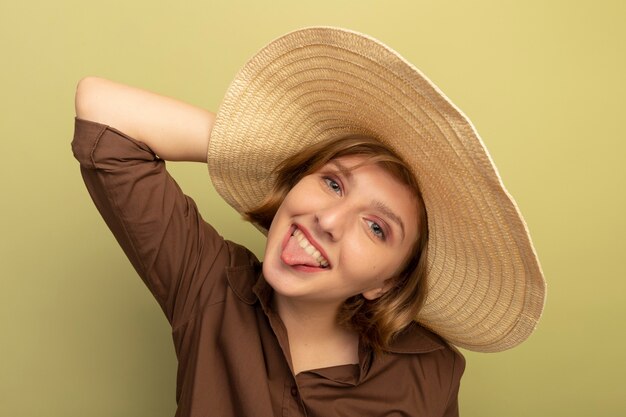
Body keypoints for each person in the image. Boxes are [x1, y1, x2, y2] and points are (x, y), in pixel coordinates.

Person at [72, 27, 546, 417]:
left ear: (387, 281)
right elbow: (101, 110)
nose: (330, 220)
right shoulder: (210, 285)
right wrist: (281, 155)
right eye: (333, 184)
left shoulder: (431, 374)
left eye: (376, 227)